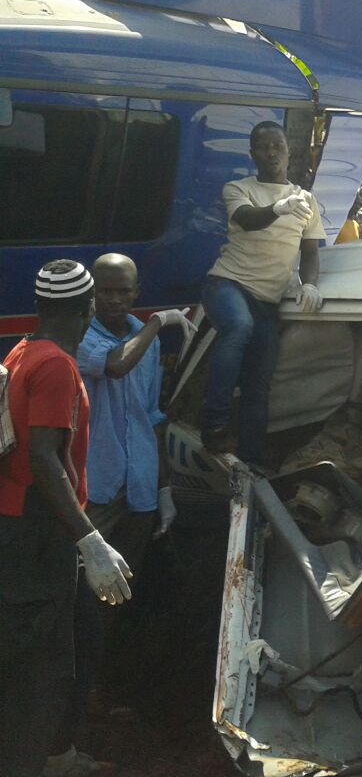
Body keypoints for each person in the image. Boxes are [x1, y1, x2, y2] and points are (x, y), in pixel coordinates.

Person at [47, 256, 197, 774]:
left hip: (138, 488)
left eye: (124, 292)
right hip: (98, 489)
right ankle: (62, 710)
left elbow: (152, 415)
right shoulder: (83, 339)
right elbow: (114, 365)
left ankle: (93, 695)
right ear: (93, 297)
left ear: (136, 292)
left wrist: (164, 488)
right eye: (106, 291)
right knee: (78, 602)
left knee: (115, 605)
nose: (114, 300)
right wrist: (159, 322)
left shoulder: (141, 336)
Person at [1, 262, 132, 777]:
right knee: (39, 668)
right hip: (38, 530)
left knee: (81, 638)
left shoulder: (22, 350)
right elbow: (43, 458)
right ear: (88, 308)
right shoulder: (56, 365)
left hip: (24, 524)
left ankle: (56, 754)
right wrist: (90, 540)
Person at [202, 121, 326, 466]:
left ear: (289, 151)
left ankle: (253, 464)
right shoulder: (238, 188)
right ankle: (213, 426)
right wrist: (277, 208)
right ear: (253, 154)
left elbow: (311, 252)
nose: (271, 152)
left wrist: (310, 284)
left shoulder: (307, 200)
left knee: (259, 386)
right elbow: (247, 219)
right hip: (227, 285)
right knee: (239, 328)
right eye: (263, 147)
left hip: (268, 301)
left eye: (278, 146)